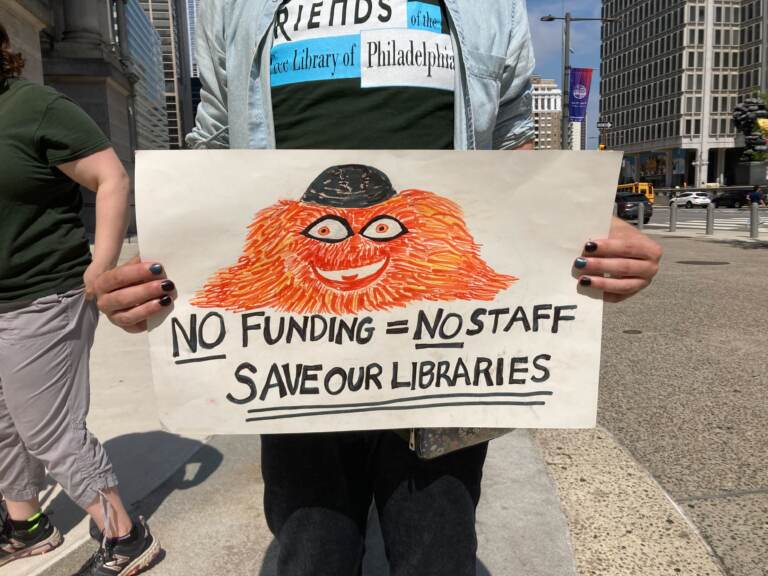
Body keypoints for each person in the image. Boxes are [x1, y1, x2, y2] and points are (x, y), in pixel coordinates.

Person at [93, 1, 663, 574]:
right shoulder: (232, 7)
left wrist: (581, 229)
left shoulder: (490, 6)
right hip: (289, 360)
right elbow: (215, 144)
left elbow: (512, 143)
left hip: (448, 355)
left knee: (436, 556)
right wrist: (167, 265)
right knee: (311, 554)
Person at [0, 24, 159, 575]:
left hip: (43, 295)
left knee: (47, 426)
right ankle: (26, 526)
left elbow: (111, 177)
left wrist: (101, 266)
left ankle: (124, 534)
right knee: (4, 422)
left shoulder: (34, 107)